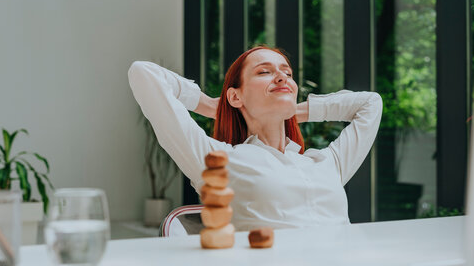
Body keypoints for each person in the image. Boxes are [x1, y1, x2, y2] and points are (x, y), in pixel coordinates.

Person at [128, 46, 382, 231]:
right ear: (235, 97)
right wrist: (212, 107)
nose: (282, 77)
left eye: (287, 73)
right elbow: (144, 74)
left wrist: (293, 111)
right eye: (264, 72)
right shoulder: (218, 161)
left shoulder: (327, 162)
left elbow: (371, 103)